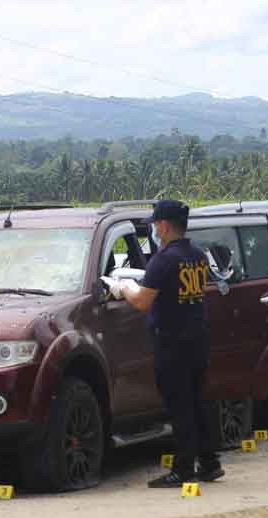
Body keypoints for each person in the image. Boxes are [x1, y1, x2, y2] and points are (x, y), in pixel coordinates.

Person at [102, 199, 224, 488]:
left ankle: (183, 469)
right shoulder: (197, 256)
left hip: (171, 342)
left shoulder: (164, 260)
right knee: (197, 401)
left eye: (156, 224)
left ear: (165, 225)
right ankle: (209, 462)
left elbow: (143, 301)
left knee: (179, 406)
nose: (155, 230)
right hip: (197, 339)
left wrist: (122, 288)